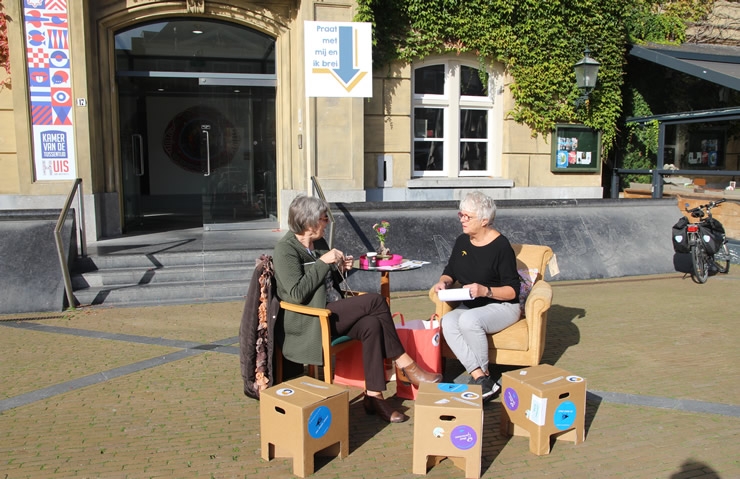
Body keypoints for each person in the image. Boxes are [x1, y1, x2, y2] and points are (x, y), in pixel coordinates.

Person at [273, 195, 442, 423]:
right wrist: (324, 263)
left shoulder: (319, 244)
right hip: (313, 319)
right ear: (309, 222)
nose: (327, 223)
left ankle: (374, 396)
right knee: (376, 302)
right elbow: (296, 294)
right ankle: (407, 366)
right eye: (324, 219)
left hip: (332, 310)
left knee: (372, 324)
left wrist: (338, 268)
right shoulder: (286, 250)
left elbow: (326, 283)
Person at [432, 191, 521, 402]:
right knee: (448, 322)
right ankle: (480, 377)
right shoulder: (462, 241)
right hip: (471, 304)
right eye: (460, 215)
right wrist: (443, 282)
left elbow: (513, 290)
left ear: (484, 220)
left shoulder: (501, 246)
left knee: (469, 321)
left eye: (467, 216)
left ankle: (486, 376)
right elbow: (450, 270)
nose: (462, 220)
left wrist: (486, 291)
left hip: (502, 305)